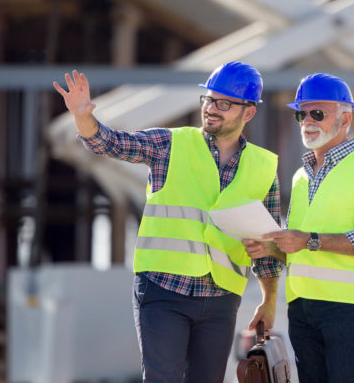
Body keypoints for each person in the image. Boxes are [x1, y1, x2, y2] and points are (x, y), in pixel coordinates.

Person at [53, 61, 282, 383]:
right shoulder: (170, 144)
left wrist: (268, 300)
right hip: (163, 290)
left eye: (224, 103)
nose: (212, 109)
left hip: (221, 297)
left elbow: (270, 243)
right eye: (208, 100)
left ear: (248, 113)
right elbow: (111, 143)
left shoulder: (264, 167)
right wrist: (83, 116)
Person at [244, 73, 354, 383]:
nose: (307, 121)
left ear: (345, 119)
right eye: (301, 113)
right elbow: (299, 244)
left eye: (318, 113)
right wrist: (273, 248)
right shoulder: (301, 177)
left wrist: (309, 241)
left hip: (348, 307)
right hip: (303, 308)